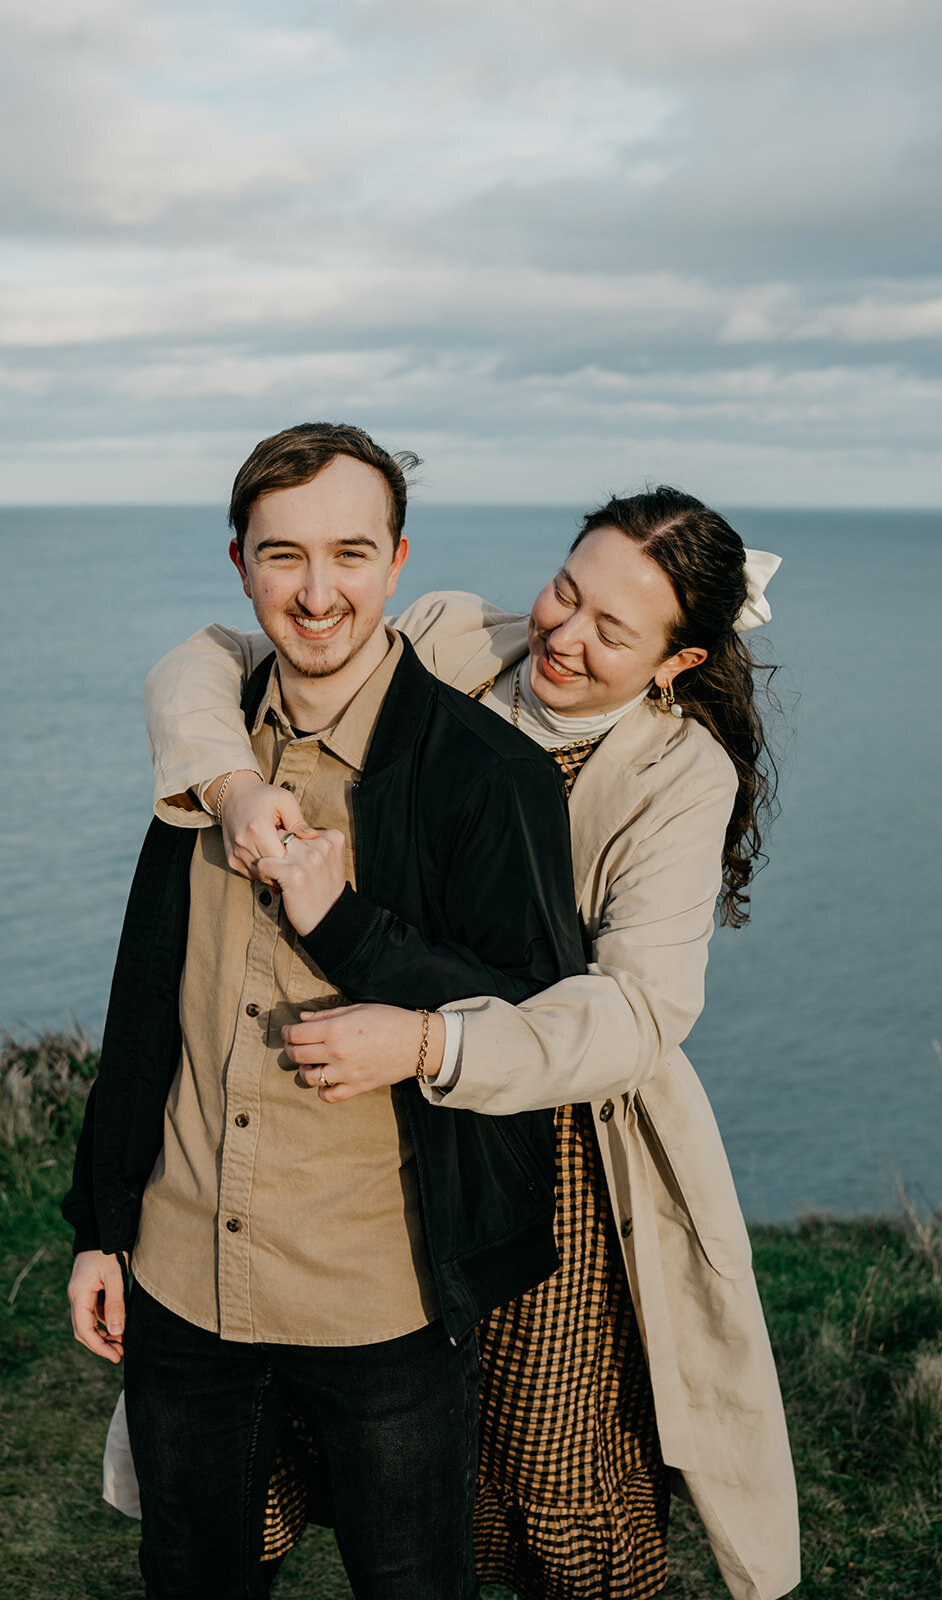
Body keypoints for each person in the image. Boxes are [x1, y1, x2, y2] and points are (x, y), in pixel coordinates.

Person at [132, 486, 801, 1600]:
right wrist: (234, 783)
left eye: (610, 631)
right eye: (563, 590)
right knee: (293, 1420)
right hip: (337, 1105)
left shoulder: (681, 777)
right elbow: (208, 657)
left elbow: (634, 1014)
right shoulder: (447, 634)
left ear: (677, 663)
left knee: (544, 1458)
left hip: (540, 1126)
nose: (560, 633)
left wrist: (433, 1043)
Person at [61, 422, 587, 1600]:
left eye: (349, 553)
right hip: (182, 1275)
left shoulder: (485, 776)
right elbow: (147, 1005)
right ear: (240, 565)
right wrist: (101, 1224)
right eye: (283, 555)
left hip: (381, 1298)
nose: (316, 591)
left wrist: (349, 929)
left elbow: (531, 1021)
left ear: (398, 562)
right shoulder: (201, 762)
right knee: (191, 1577)